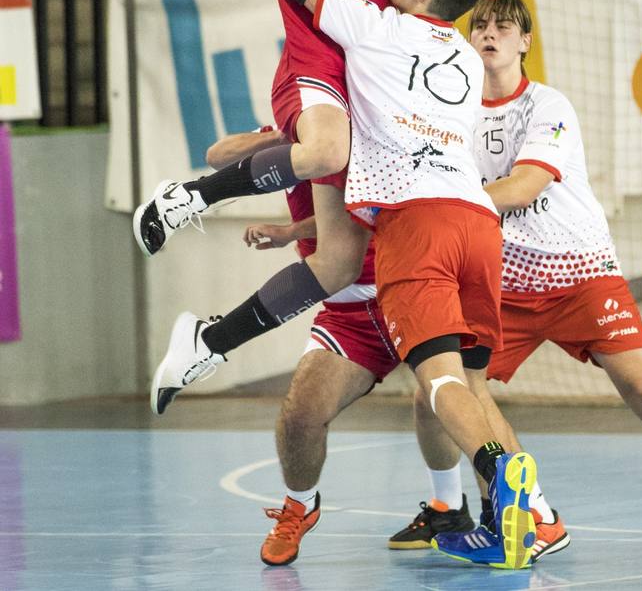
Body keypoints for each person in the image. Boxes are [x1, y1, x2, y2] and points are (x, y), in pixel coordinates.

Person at [139, 0, 592, 414]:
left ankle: (207, 339)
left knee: (337, 265)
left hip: (373, 100)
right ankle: (191, 196)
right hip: (317, 63)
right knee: (324, 152)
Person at [201, 0, 543, 569]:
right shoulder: (457, 56)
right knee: (464, 382)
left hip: (416, 232)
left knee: (441, 383)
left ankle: (507, 477)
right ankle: (510, 520)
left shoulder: (376, 31)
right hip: (475, 227)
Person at [431, 0, 642, 558]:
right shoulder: (453, 118)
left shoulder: (548, 104)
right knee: (453, 389)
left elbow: (523, 188)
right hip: (505, 286)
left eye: (503, 26)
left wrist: (444, 208)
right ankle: (530, 515)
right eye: (480, 25)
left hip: (581, 274)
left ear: (525, 42)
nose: (490, 33)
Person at [199, 127, 476, 566]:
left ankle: (459, 508)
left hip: (409, 289)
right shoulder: (305, 127)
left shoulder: (380, 121)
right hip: (348, 314)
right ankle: (298, 506)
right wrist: (281, 138)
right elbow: (217, 155)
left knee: (442, 399)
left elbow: (360, 211)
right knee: (301, 415)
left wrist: (293, 230)